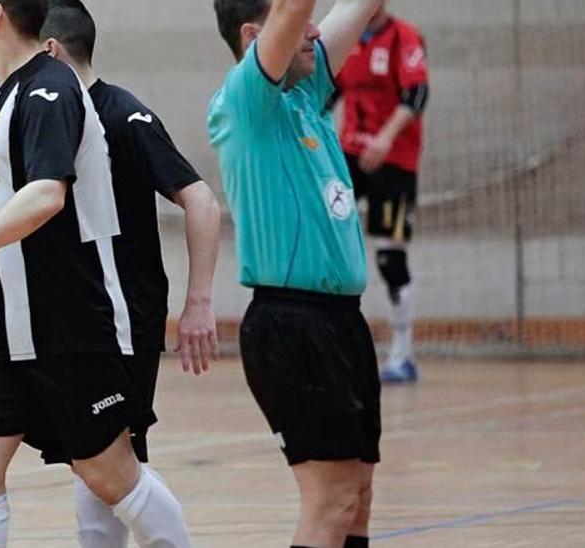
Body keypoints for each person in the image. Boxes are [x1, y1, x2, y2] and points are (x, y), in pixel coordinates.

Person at [0, 1, 195, 546]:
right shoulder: (3, 94)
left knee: (108, 474)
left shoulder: (50, 89)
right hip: (0, 330)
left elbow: (45, 196)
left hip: (70, 327)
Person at [39, 1, 222, 546]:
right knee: (93, 457)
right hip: (75, 319)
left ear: (50, 52)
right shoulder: (47, 114)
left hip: (125, 317)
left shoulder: (123, 115)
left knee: (112, 455)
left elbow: (202, 202)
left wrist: (199, 303)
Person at [208, 0, 385, 546]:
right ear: (252, 34)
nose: (314, 31)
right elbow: (294, 9)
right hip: (291, 324)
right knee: (330, 501)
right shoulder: (245, 99)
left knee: (356, 498)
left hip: (343, 322)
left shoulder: (306, 94)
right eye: (298, 25)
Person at [334, 4, 429, 383]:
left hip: (394, 161)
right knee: (329, 241)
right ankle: (335, 347)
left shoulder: (402, 36)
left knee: (390, 255)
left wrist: (385, 140)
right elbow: (327, 91)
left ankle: (402, 353)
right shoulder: (349, 36)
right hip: (349, 157)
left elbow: (418, 94)